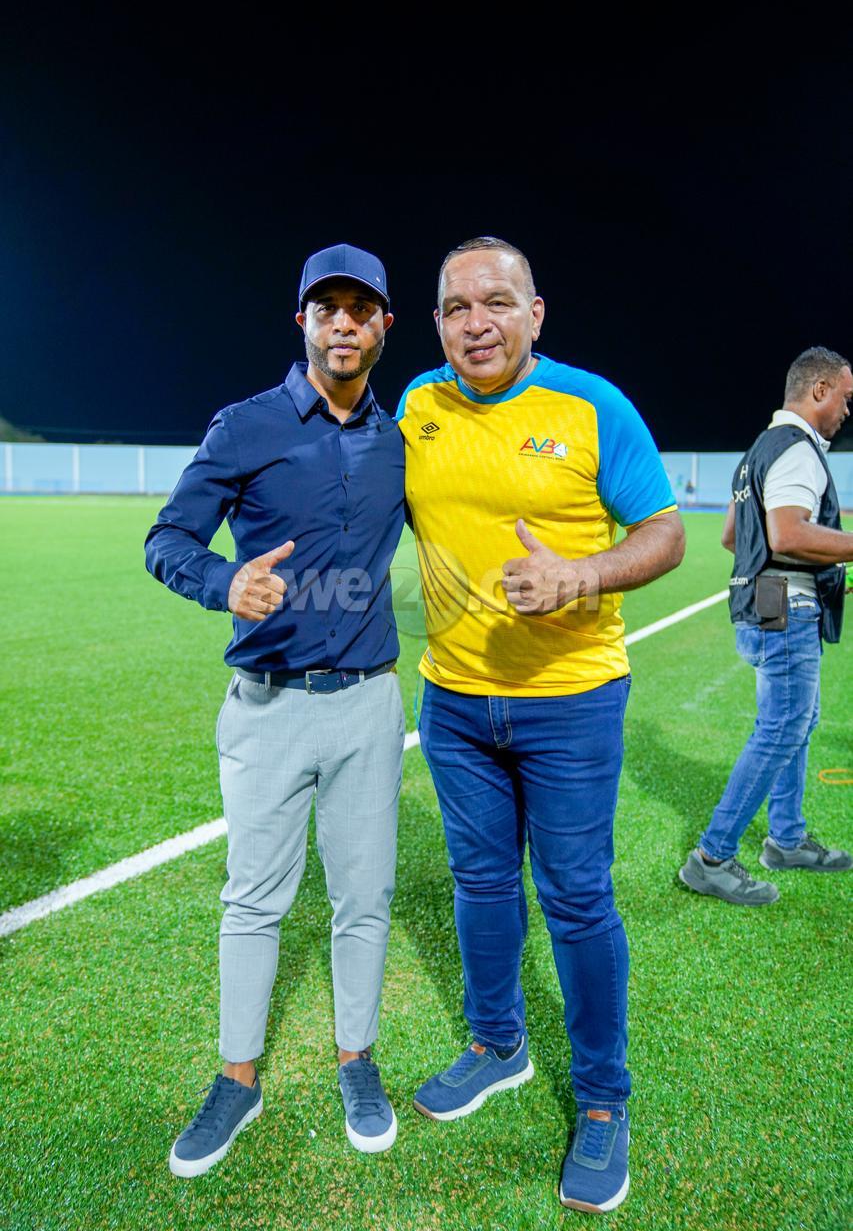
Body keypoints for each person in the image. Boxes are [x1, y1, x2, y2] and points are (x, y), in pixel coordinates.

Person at [395, 236, 685, 1214]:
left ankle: (602, 1098)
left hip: (571, 699)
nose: (475, 323)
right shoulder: (418, 405)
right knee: (479, 882)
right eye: (454, 307)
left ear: (534, 312)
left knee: (575, 897)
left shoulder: (592, 405)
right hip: (452, 701)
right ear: (436, 323)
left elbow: (664, 532)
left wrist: (581, 574)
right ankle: (497, 1044)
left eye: (495, 302)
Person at [144, 243, 406, 1176]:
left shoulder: (402, 438)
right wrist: (224, 582)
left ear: (383, 326)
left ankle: (356, 1062)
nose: (343, 324)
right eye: (326, 308)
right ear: (302, 321)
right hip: (267, 707)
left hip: (369, 704)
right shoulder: (245, 426)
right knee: (253, 901)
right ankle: (237, 1079)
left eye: (360, 309)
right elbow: (167, 538)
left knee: (364, 899)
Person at [679, 347, 853, 906]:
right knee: (782, 728)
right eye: (845, 398)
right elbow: (786, 533)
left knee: (795, 722)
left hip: (767, 604)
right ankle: (711, 858)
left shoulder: (758, 448)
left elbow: (734, 536)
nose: (847, 410)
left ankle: (787, 839)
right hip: (786, 609)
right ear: (819, 390)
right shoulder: (798, 448)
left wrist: (819, 569)